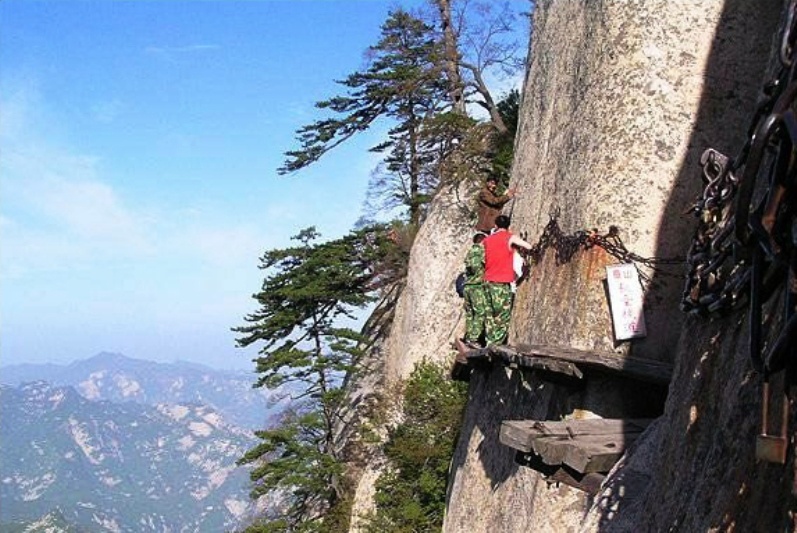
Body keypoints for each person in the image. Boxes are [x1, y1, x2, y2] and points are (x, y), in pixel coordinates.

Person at [482, 215, 533, 345]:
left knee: (489, 314)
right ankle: (496, 343)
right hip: (502, 281)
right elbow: (528, 246)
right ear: (508, 225)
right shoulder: (509, 237)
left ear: (496, 225)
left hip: (487, 280)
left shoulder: (487, 240)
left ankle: (488, 340)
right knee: (502, 314)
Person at [462, 232, 488, 348]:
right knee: (480, 312)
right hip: (477, 286)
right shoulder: (481, 251)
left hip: (467, 286)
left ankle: (468, 337)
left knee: (470, 313)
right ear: (482, 241)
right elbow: (479, 266)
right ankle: (474, 338)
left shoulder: (469, 252)